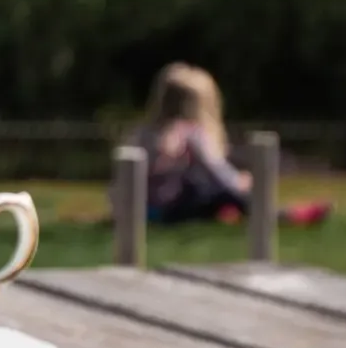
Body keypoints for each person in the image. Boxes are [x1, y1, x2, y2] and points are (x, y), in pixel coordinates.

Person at [133, 64, 331, 227]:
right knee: (220, 192)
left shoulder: (144, 132)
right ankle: (282, 215)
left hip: (144, 211)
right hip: (169, 210)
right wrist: (239, 183)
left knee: (204, 187)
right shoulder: (190, 133)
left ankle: (229, 213)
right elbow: (216, 170)